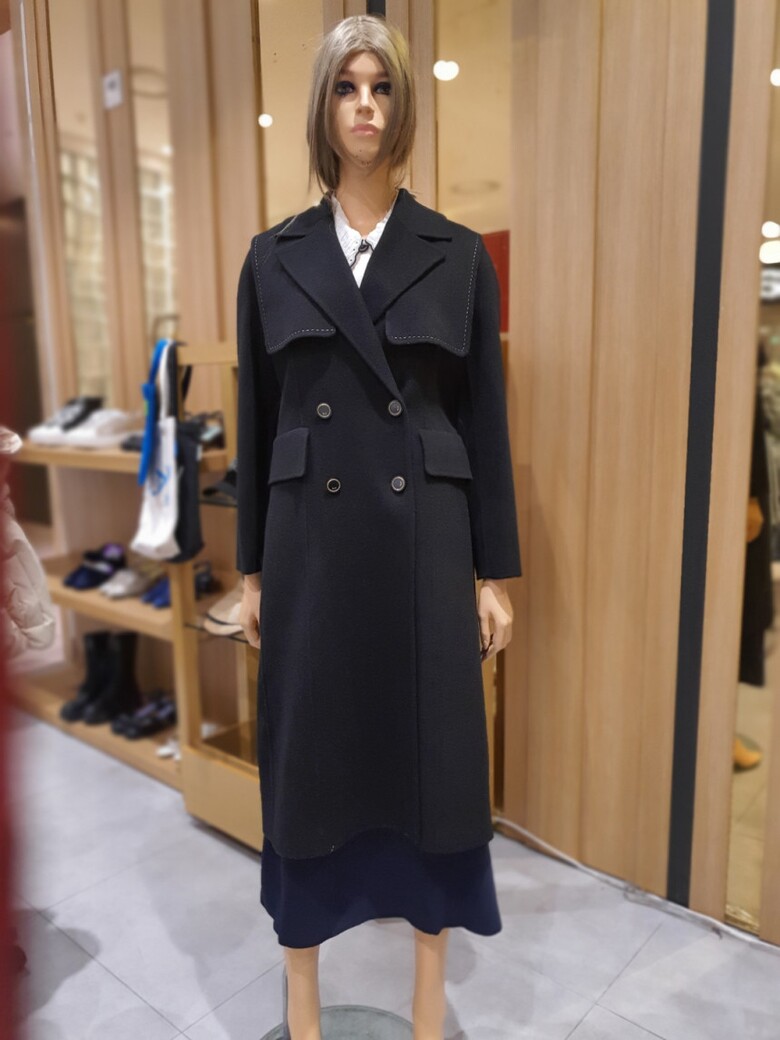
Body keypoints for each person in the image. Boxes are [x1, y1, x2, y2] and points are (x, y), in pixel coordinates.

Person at [236, 16, 521, 1040]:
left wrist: (494, 572)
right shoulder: (272, 258)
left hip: (424, 547)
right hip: (310, 549)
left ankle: (428, 1013)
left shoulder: (456, 254)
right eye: (347, 86)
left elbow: (485, 421)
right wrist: (252, 572)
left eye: (384, 86)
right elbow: (258, 420)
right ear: (323, 107)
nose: (365, 104)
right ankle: (303, 1014)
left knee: (433, 765)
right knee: (308, 761)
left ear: (403, 107)